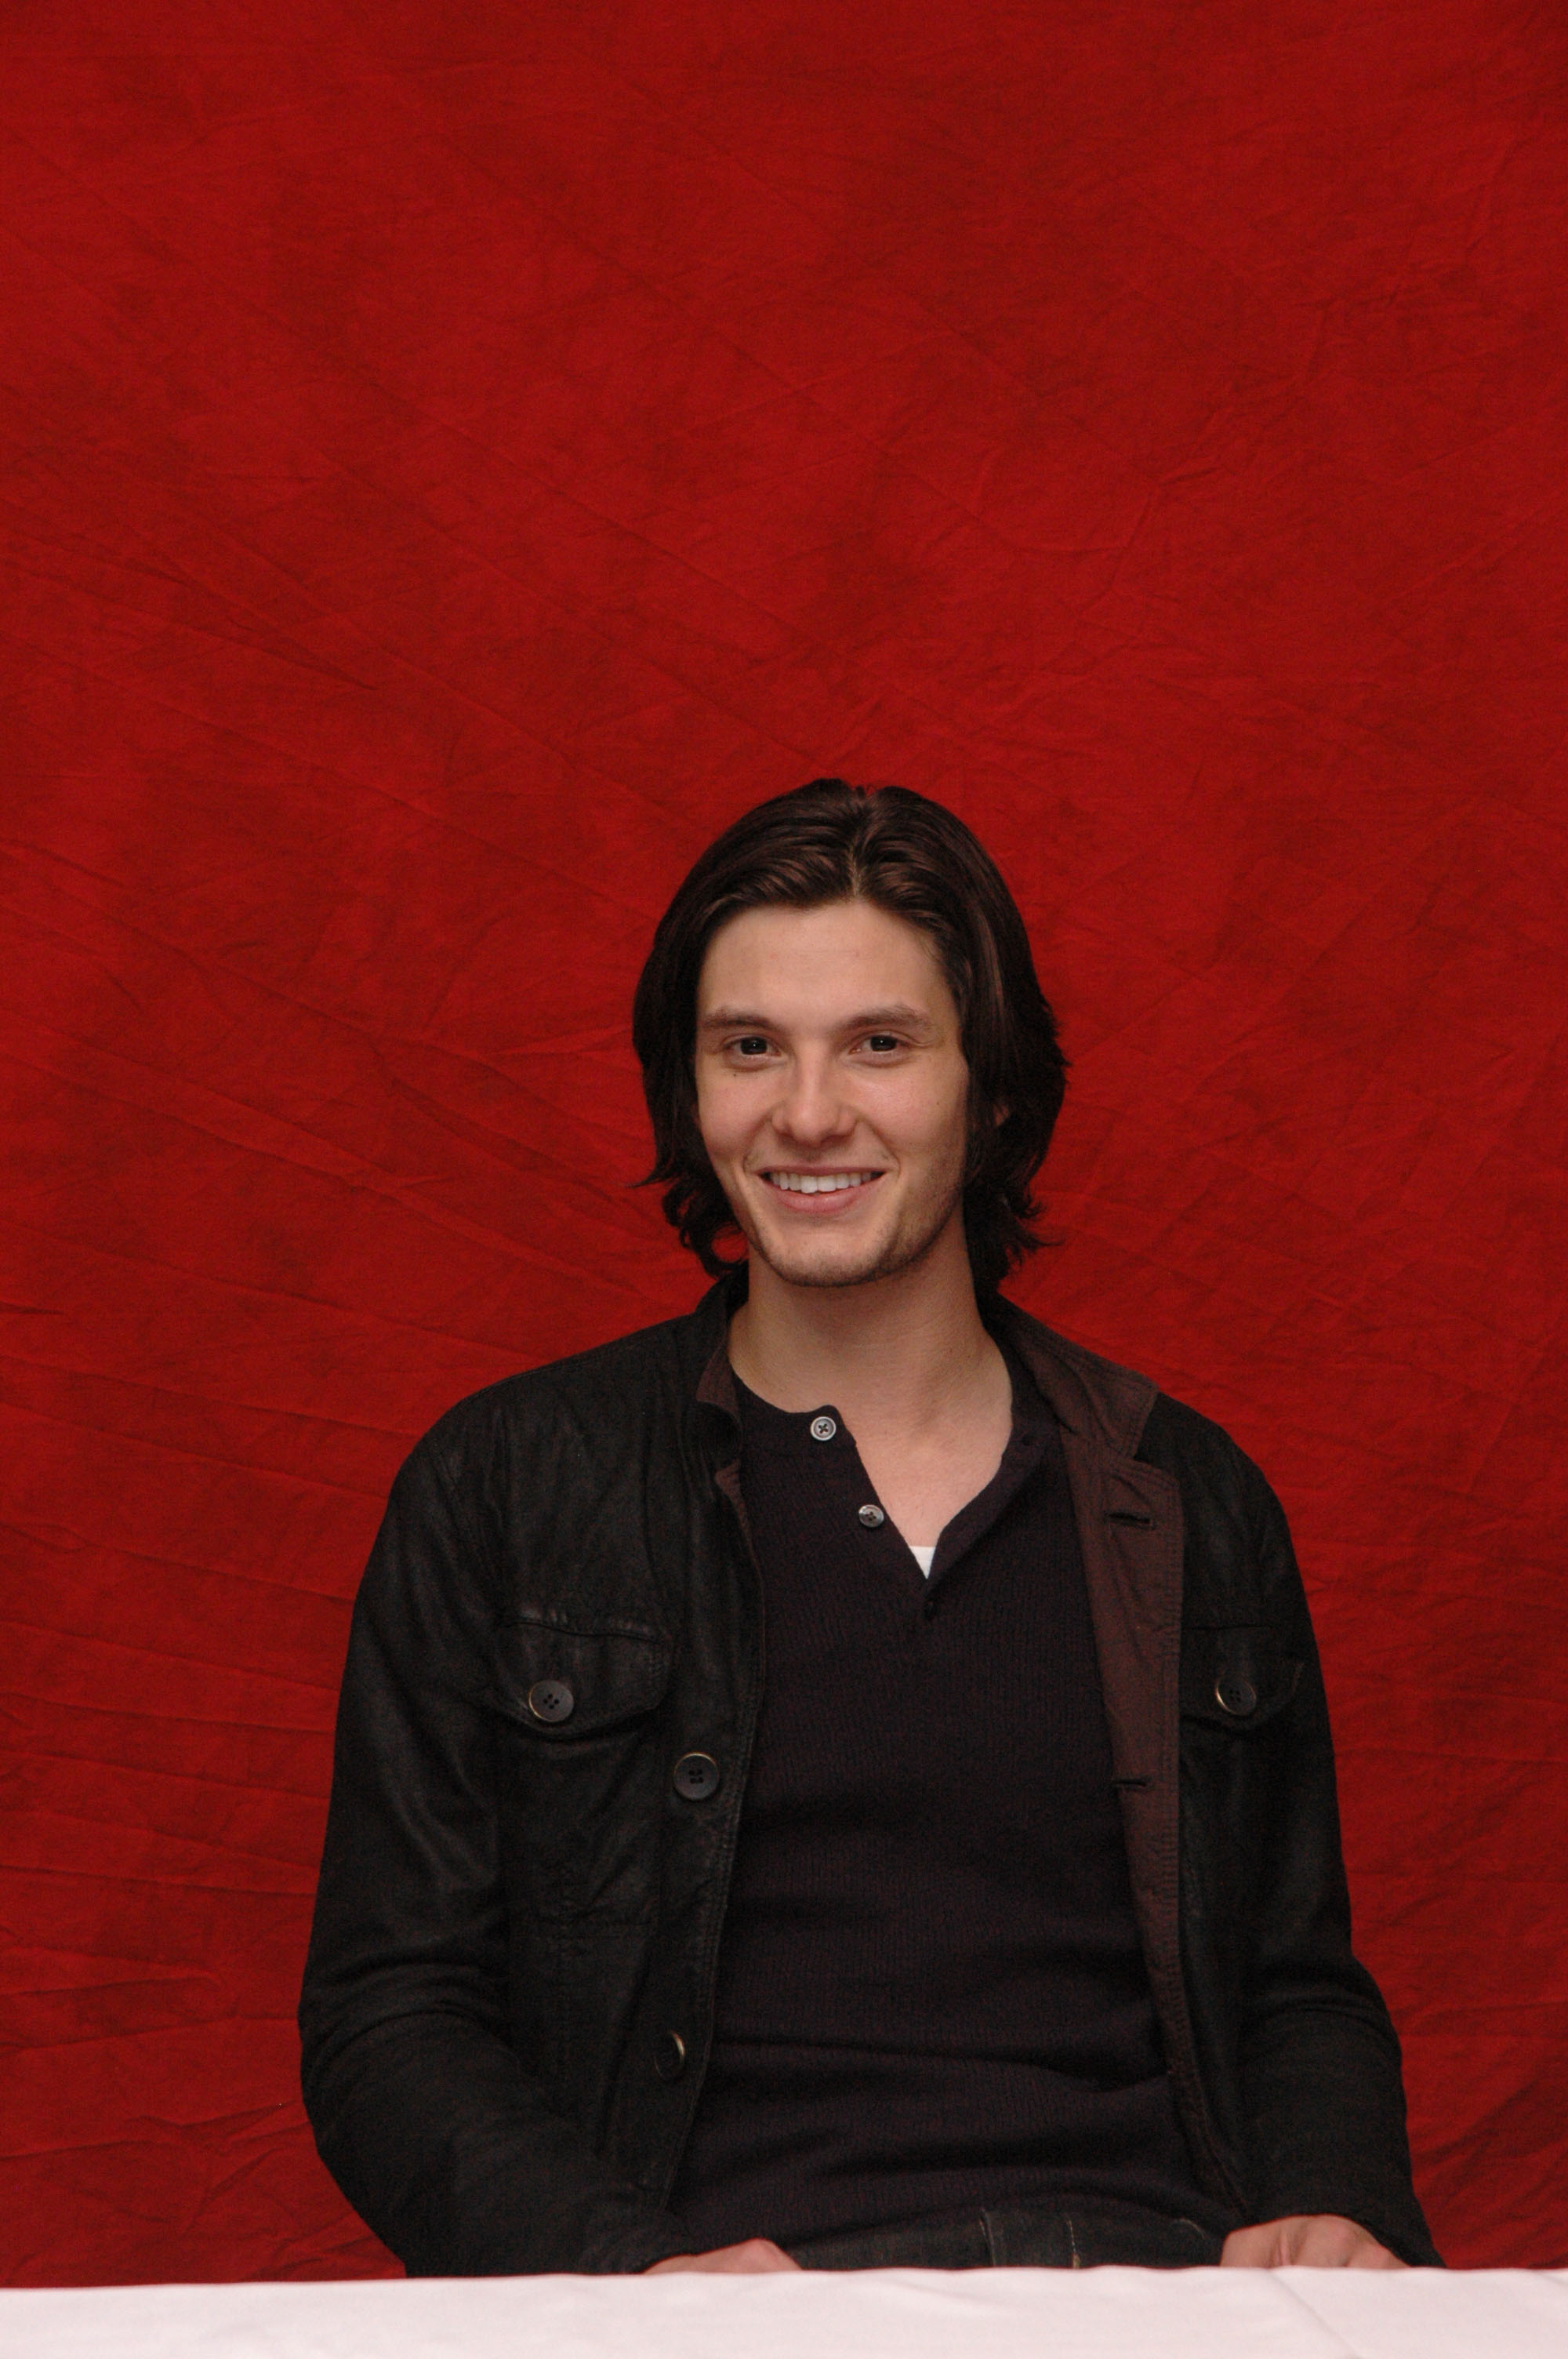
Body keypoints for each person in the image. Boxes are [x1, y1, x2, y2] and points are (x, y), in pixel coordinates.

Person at [299, 780, 1440, 2275]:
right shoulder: (508, 1486)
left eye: (880, 1045)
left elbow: (1295, 1988)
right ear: (688, 1089)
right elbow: (392, 2016)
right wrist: (631, 2279)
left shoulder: (1185, 1495)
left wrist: (1339, 2215)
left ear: (995, 1088)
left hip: (1153, 2291)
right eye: (749, 1047)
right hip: (726, 2310)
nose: (808, 1112)